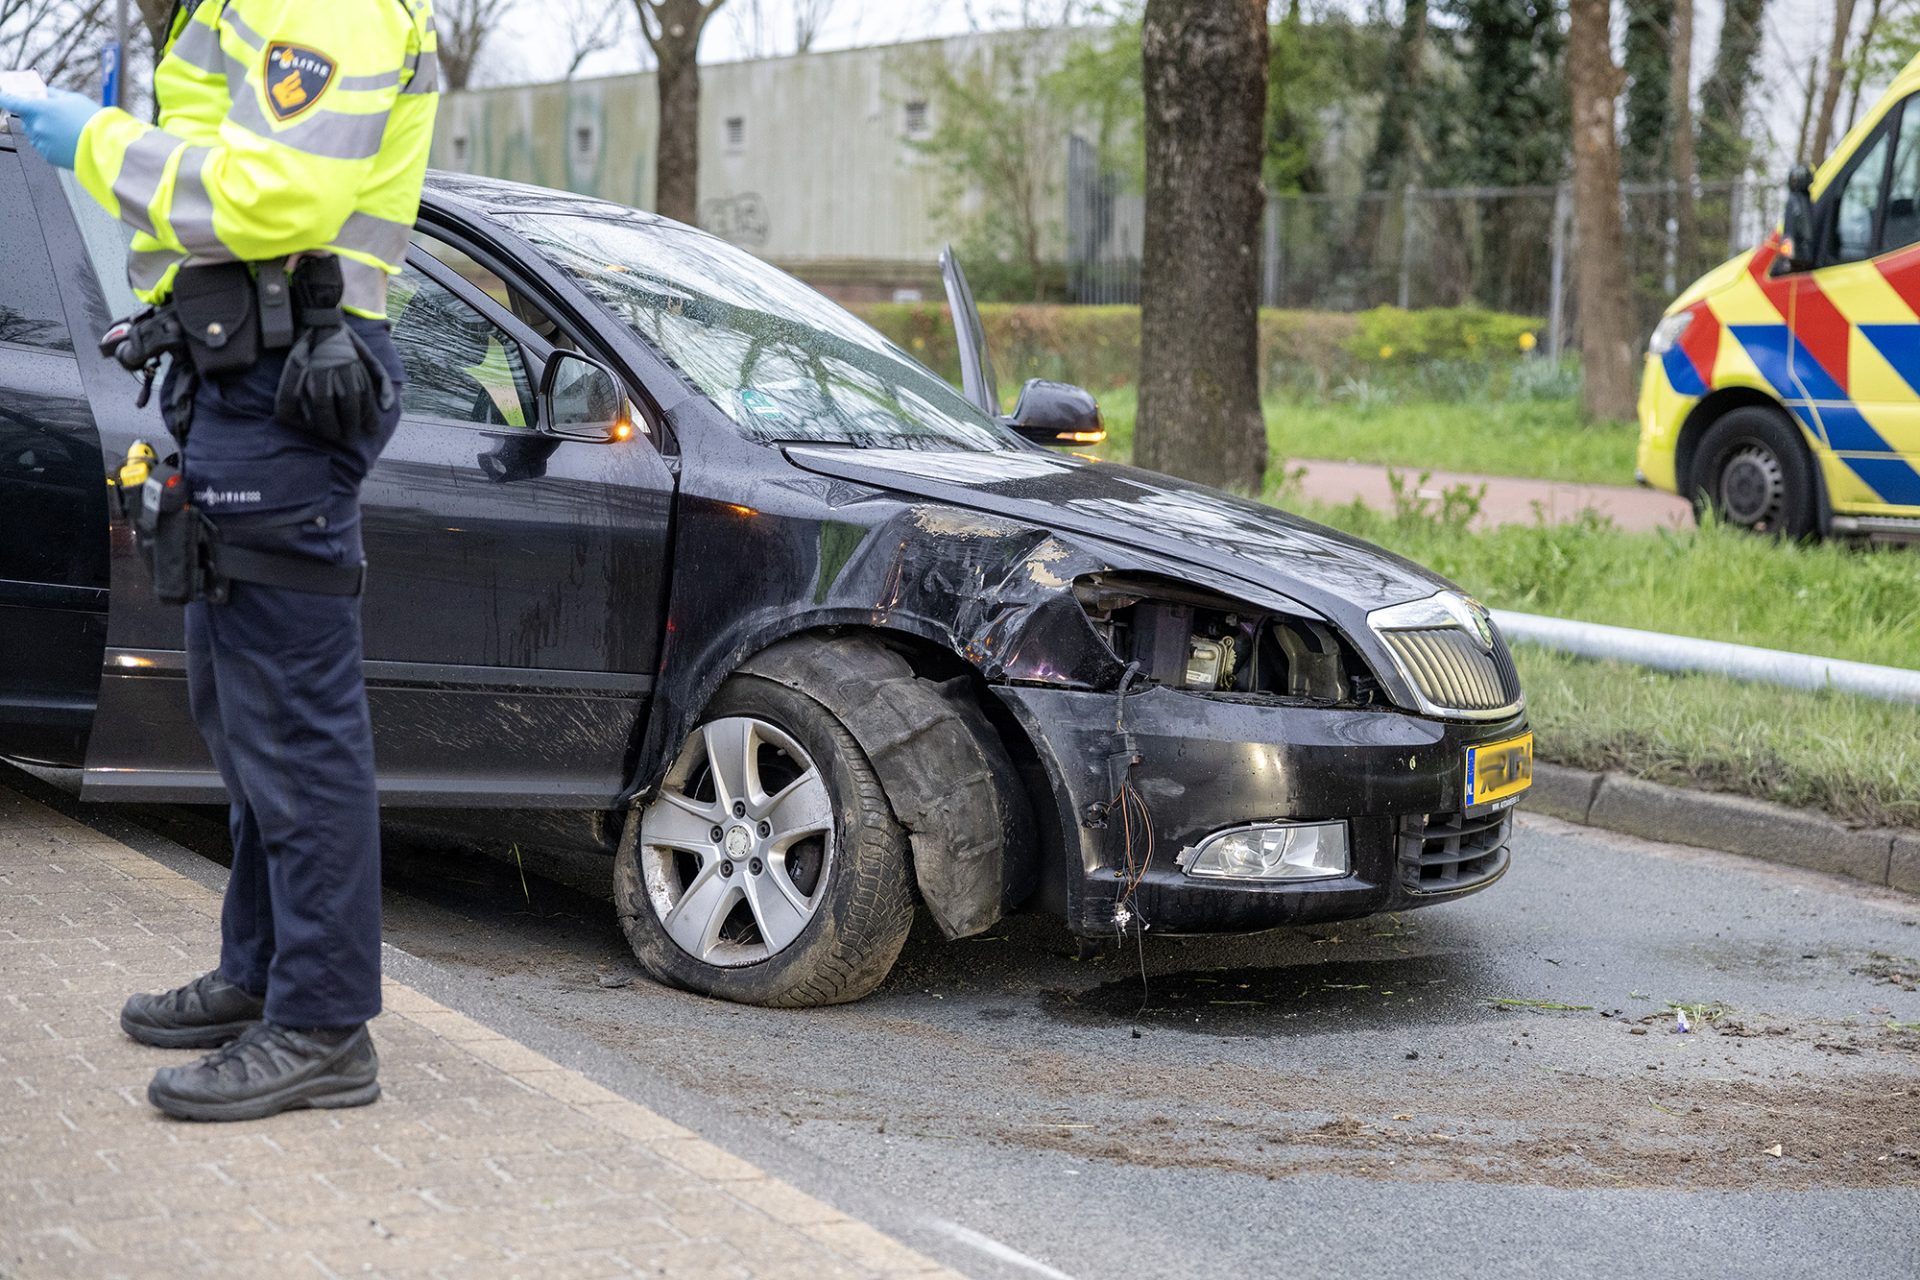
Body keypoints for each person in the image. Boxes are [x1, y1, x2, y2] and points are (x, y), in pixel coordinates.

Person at [0, 0, 439, 1122]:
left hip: (296, 380)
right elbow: (228, 182)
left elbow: (282, 195)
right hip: (243, 365)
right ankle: (262, 970)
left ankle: (325, 1023)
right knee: (241, 701)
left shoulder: (324, 5)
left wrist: (95, 145)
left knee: (293, 715)